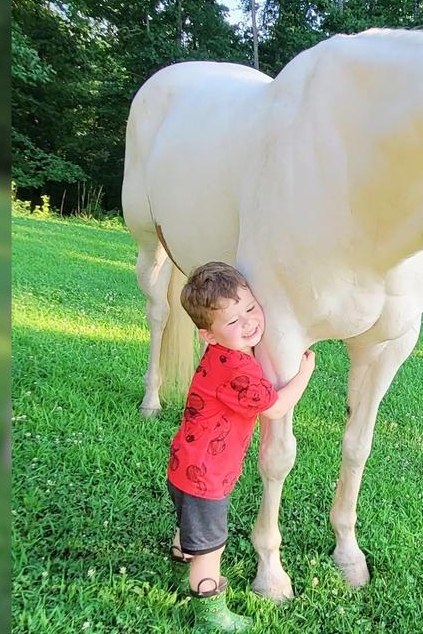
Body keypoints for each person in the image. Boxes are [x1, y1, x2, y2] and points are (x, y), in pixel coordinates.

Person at [166, 261, 315, 632]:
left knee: (191, 527)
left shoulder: (222, 355)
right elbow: (277, 406)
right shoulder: (238, 370)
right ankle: (211, 615)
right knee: (211, 548)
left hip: (184, 466)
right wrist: (305, 373)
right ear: (208, 336)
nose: (248, 322)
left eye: (250, 308)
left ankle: (179, 561)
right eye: (233, 322)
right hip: (207, 478)